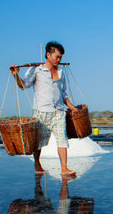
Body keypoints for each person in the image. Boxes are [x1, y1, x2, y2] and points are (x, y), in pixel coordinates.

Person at [10, 41, 78, 176]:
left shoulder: (61, 71)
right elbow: (23, 86)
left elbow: (63, 93)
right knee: (39, 142)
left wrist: (72, 107)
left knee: (62, 139)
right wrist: (16, 75)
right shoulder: (36, 69)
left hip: (58, 111)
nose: (59, 60)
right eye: (57, 57)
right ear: (48, 55)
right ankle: (37, 163)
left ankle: (64, 168)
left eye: (61, 58)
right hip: (41, 112)